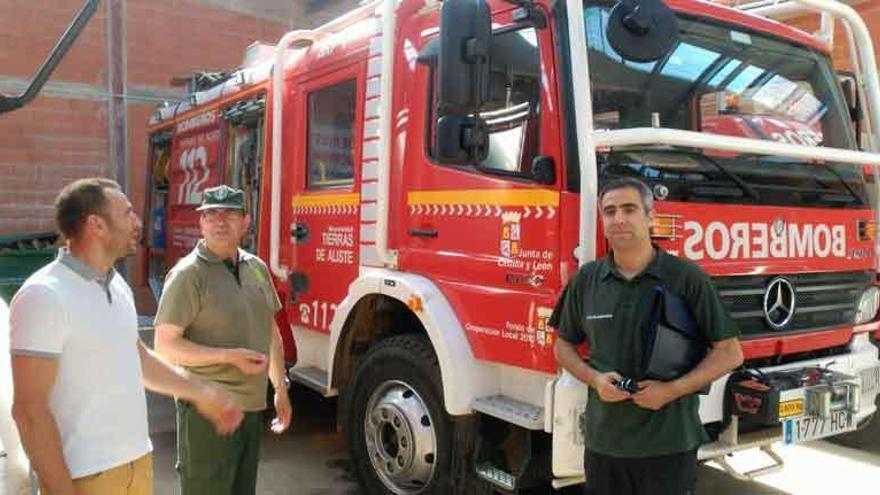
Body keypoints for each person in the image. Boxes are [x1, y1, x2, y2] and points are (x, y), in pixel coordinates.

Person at [9, 178, 244, 495]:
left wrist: (200, 392)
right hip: (85, 478)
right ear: (96, 224)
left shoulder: (116, 285)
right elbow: (29, 411)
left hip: (137, 464)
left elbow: (137, 358)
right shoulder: (44, 295)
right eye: (127, 213)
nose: (137, 222)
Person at [554, 177, 744, 495]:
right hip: (605, 446)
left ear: (650, 217)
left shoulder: (686, 278)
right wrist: (594, 379)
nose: (619, 219)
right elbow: (562, 346)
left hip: (669, 446)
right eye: (610, 211)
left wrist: (670, 390)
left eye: (629, 209)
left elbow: (730, 352)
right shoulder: (587, 279)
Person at [153, 184, 292, 495]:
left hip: (251, 410)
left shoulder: (256, 268)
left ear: (245, 222)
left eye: (229, 214)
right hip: (206, 411)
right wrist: (227, 357)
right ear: (200, 223)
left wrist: (280, 388)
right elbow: (165, 346)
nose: (219, 222)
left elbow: (269, 331)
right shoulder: (188, 274)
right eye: (211, 215)